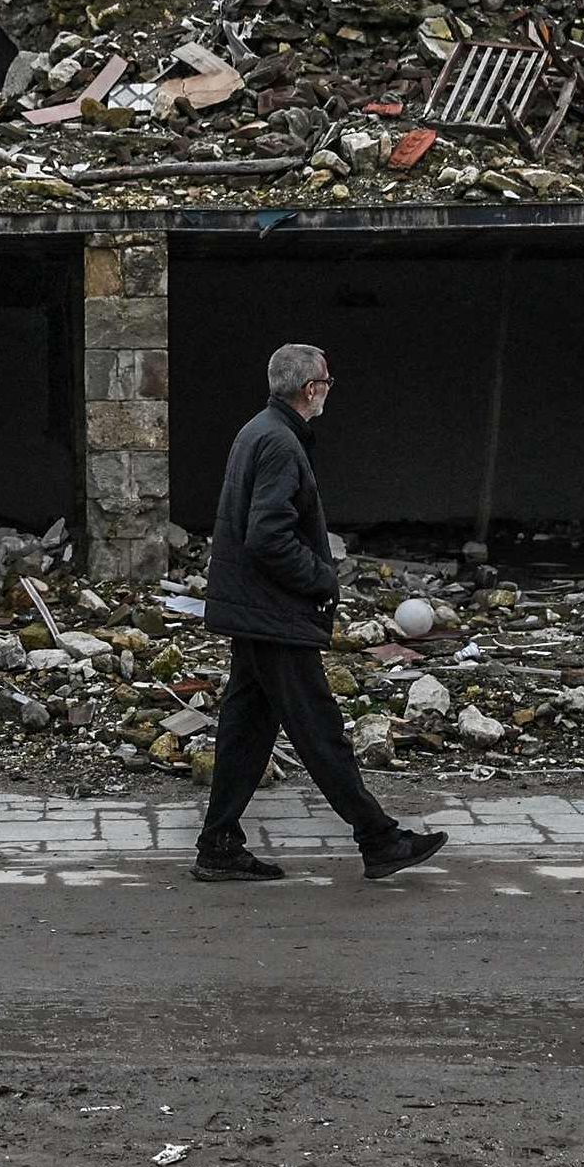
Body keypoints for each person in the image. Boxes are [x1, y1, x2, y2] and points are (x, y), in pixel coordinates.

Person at [195, 342, 449, 884]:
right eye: (327, 383)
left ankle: (218, 845)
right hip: (273, 614)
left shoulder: (257, 430)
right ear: (311, 389)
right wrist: (320, 577)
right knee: (319, 728)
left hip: (253, 610)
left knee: (245, 730)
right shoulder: (281, 443)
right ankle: (379, 839)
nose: (329, 391)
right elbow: (267, 535)